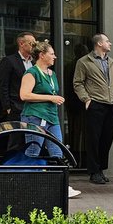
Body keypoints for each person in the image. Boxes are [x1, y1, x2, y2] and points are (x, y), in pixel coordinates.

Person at [18, 39, 80, 199]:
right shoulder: (31, 73)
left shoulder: (52, 74)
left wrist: (53, 99)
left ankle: (61, 186)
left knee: (57, 152)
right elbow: (24, 95)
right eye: (52, 54)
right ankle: (24, 184)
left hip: (52, 118)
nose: (55, 57)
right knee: (33, 150)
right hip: (35, 116)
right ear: (41, 55)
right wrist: (51, 98)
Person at [72, 33, 113, 185]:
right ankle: (93, 172)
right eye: (107, 41)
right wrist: (86, 99)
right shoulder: (84, 62)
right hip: (95, 104)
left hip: (112, 105)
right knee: (93, 139)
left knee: (106, 139)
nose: (110, 43)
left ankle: (101, 169)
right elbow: (78, 83)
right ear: (99, 44)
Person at [0, 31, 36, 121]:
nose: (34, 46)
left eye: (35, 43)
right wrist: (8, 108)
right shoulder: (9, 61)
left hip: (32, 109)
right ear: (21, 43)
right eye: (31, 43)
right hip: (15, 108)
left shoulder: (34, 63)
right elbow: (3, 85)